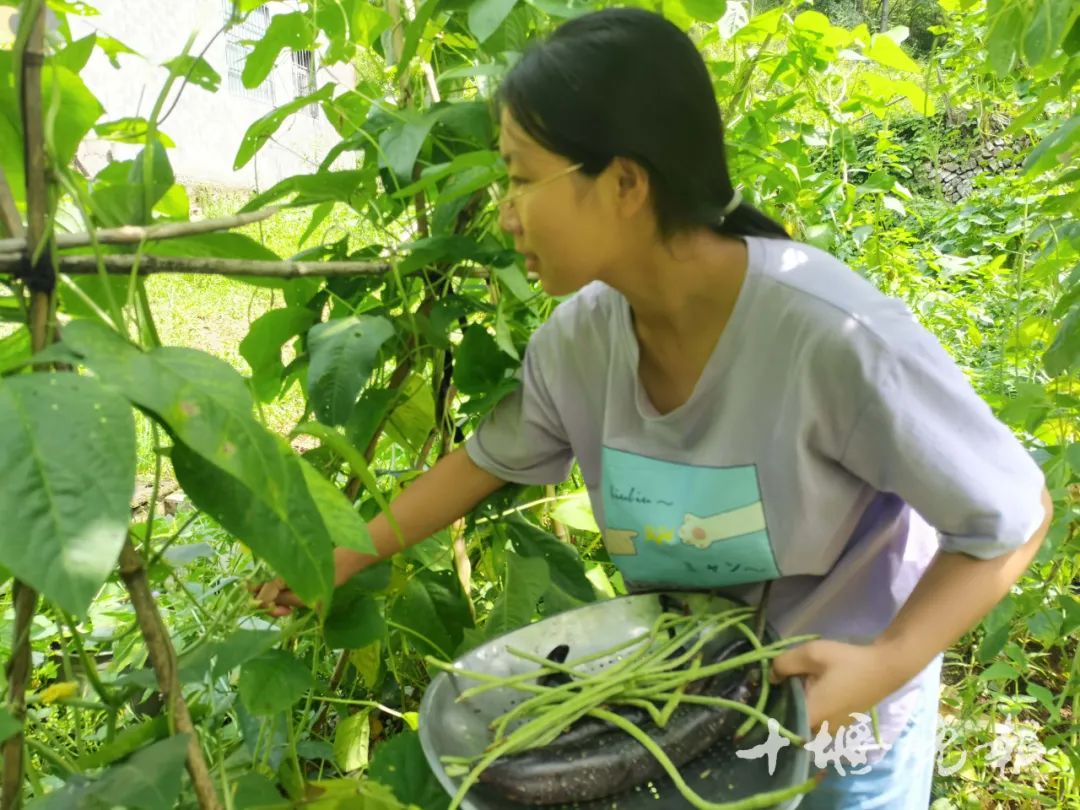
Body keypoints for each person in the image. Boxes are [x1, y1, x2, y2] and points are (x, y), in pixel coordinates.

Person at [259, 8, 1052, 808]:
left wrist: (884, 662)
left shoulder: (829, 339)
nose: (504, 211)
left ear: (626, 183)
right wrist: (342, 557)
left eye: (521, 176)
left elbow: (1013, 517)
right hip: (691, 702)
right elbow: (484, 463)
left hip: (843, 718)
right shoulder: (582, 343)